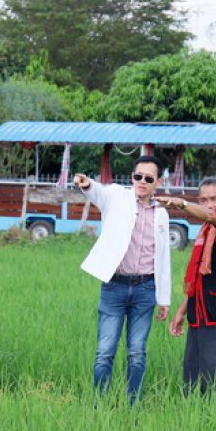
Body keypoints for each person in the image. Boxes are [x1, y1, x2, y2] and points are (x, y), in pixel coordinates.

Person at [73, 156, 171, 403]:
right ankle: (99, 404)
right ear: (132, 176)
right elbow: (97, 192)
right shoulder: (117, 197)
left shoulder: (161, 214)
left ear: (157, 182)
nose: (142, 182)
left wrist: (164, 298)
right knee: (105, 351)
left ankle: (133, 404)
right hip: (115, 286)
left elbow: (163, 257)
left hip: (146, 288)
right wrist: (86, 183)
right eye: (138, 176)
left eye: (149, 179)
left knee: (137, 352)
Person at [161, 177, 216, 395]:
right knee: (194, 373)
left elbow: (209, 215)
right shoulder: (206, 231)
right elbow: (199, 278)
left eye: (214, 199)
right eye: (203, 199)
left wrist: (181, 203)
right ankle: (196, 415)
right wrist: (181, 311)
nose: (208, 204)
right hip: (198, 311)